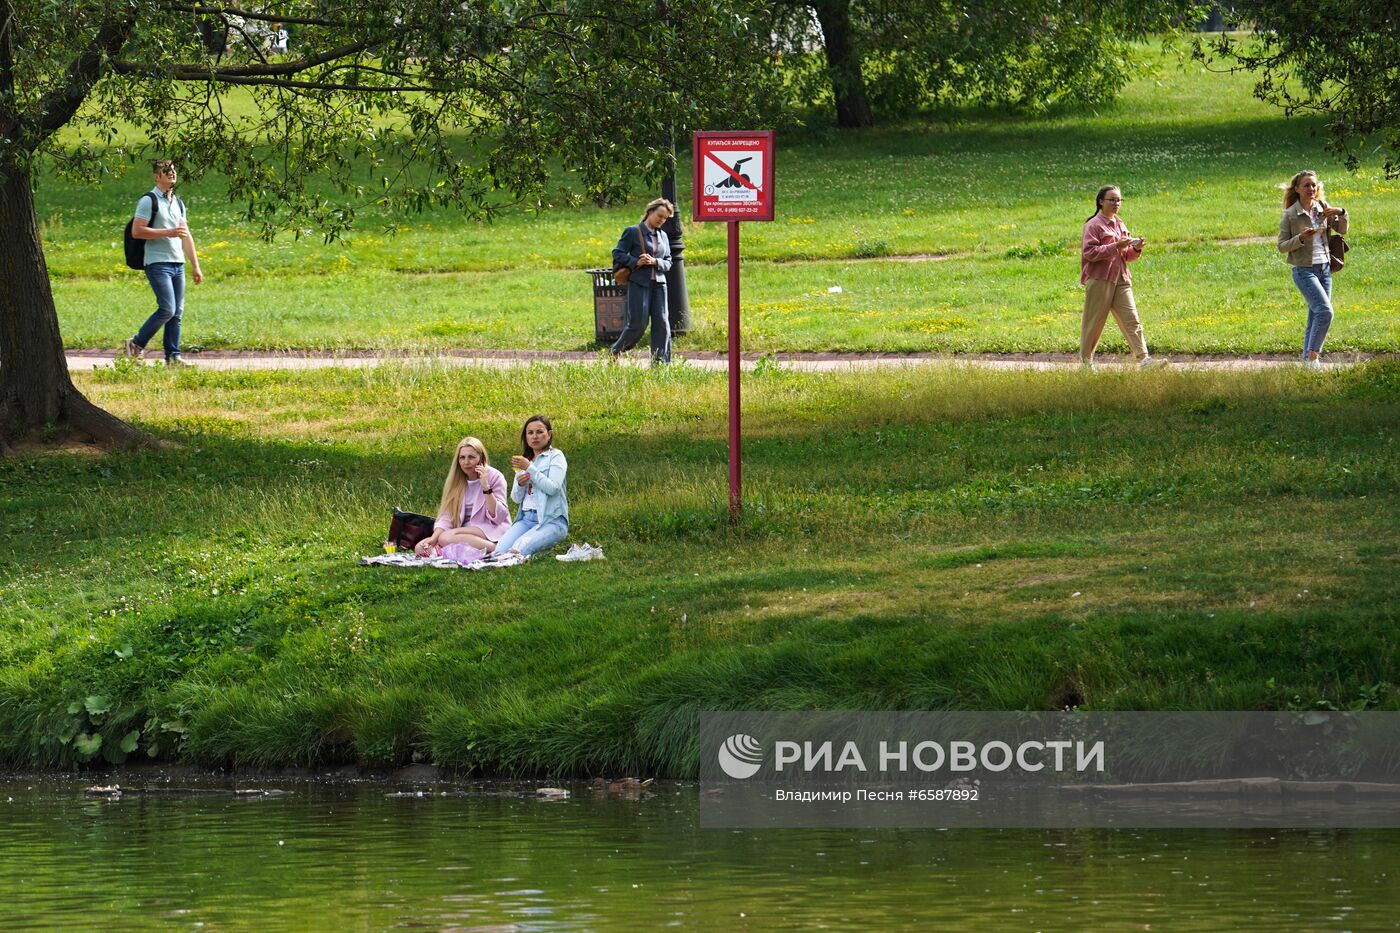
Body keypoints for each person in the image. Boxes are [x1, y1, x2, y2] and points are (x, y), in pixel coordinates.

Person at [122, 159, 203, 365]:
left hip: (178, 263)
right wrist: (169, 232)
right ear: (156, 177)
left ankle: (173, 357)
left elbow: (186, 235)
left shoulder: (178, 202)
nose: (172, 174)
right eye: (166, 171)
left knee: (177, 312)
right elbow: (137, 231)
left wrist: (195, 266)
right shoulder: (149, 201)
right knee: (167, 308)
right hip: (157, 263)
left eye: (173, 170)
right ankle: (136, 343)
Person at [1079, 185, 1159, 369]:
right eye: (1112, 199)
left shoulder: (1120, 223)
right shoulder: (1093, 225)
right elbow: (1089, 253)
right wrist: (1115, 245)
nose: (1117, 203)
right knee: (1094, 322)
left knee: (1132, 319)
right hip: (1100, 279)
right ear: (1101, 202)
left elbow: (1126, 256)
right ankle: (1086, 364)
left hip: (1121, 279)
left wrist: (1136, 248)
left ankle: (1144, 359)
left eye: (1119, 200)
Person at [1278, 170, 1349, 370]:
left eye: (1314, 185)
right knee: (1325, 312)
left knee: (1315, 315)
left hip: (1325, 268)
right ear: (1298, 189)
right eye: (1307, 185)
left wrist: (1340, 212)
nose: (1311, 189)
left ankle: (1306, 362)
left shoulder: (1322, 208)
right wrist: (1301, 238)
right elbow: (1282, 246)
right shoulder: (1291, 215)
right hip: (1304, 270)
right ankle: (1313, 359)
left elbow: (1342, 230)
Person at [487, 415, 569, 562]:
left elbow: (553, 489)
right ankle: (539, 546)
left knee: (518, 551)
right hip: (525, 519)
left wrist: (530, 469)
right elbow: (516, 498)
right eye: (530, 433)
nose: (535, 436)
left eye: (539, 432)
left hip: (551, 520)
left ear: (549, 434)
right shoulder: (525, 460)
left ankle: (543, 549)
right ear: (526, 437)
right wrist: (520, 484)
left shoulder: (556, 456)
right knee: (498, 553)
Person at [415, 437, 511, 562]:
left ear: (481, 458)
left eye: (471, 457)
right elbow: (446, 516)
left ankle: (496, 548)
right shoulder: (456, 480)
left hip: (490, 528)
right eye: (462, 457)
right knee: (420, 548)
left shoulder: (494, 476)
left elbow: (498, 516)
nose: (466, 462)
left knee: (445, 538)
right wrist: (434, 538)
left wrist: (486, 487)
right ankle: (469, 551)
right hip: (462, 532)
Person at [609, 198, 674, 364]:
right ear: (650, 212)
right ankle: (616, 350)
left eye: (665, 218)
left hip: (659, 284)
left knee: (662, 323)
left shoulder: (663, 236)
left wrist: (655, 261)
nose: (662, 220)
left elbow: (668, 261)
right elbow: (617, 253)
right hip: (639, 283)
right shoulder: (632, 231)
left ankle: (661, 363)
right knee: (638, 323)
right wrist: (635, 262)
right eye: (660, 215)